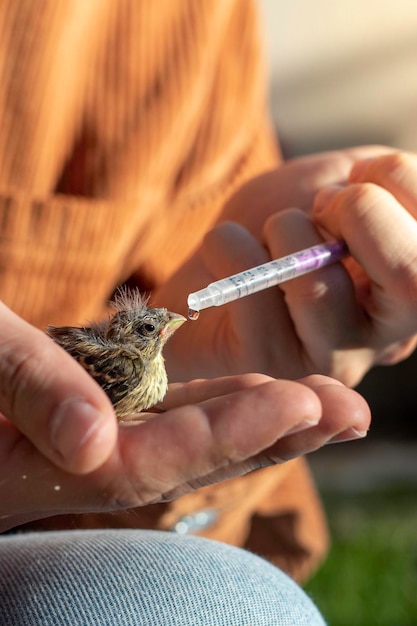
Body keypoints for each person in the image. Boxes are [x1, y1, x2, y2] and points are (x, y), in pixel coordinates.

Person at [0, 0, 415, 623]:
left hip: (42, 530)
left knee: (219, 603)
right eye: (156, 327)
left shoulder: (199, 22)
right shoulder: (120, 369)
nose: (169, 320)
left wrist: (212, 357)